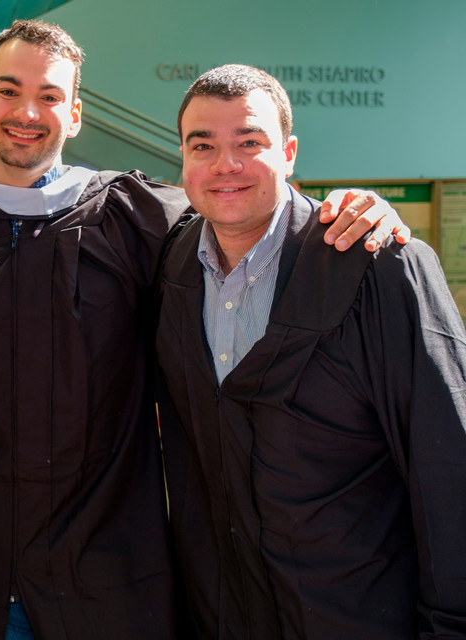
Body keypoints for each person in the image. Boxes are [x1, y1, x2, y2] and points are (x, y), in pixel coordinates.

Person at [0, 20, 409, 639]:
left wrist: (354, 210)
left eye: (49, 95)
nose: (27, 111)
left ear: (75, 114)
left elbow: (244, 207)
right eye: (9, 90)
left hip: (107, 566)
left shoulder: (134, 215)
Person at [155, 64, 466, 638]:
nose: (226, 165)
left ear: (290, 152)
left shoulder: (376, 265)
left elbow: (447, 464)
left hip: (360, 615)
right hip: (226, 614)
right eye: (204, 145)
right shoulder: (171, 264)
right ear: (182, 157)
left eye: (250, 142)